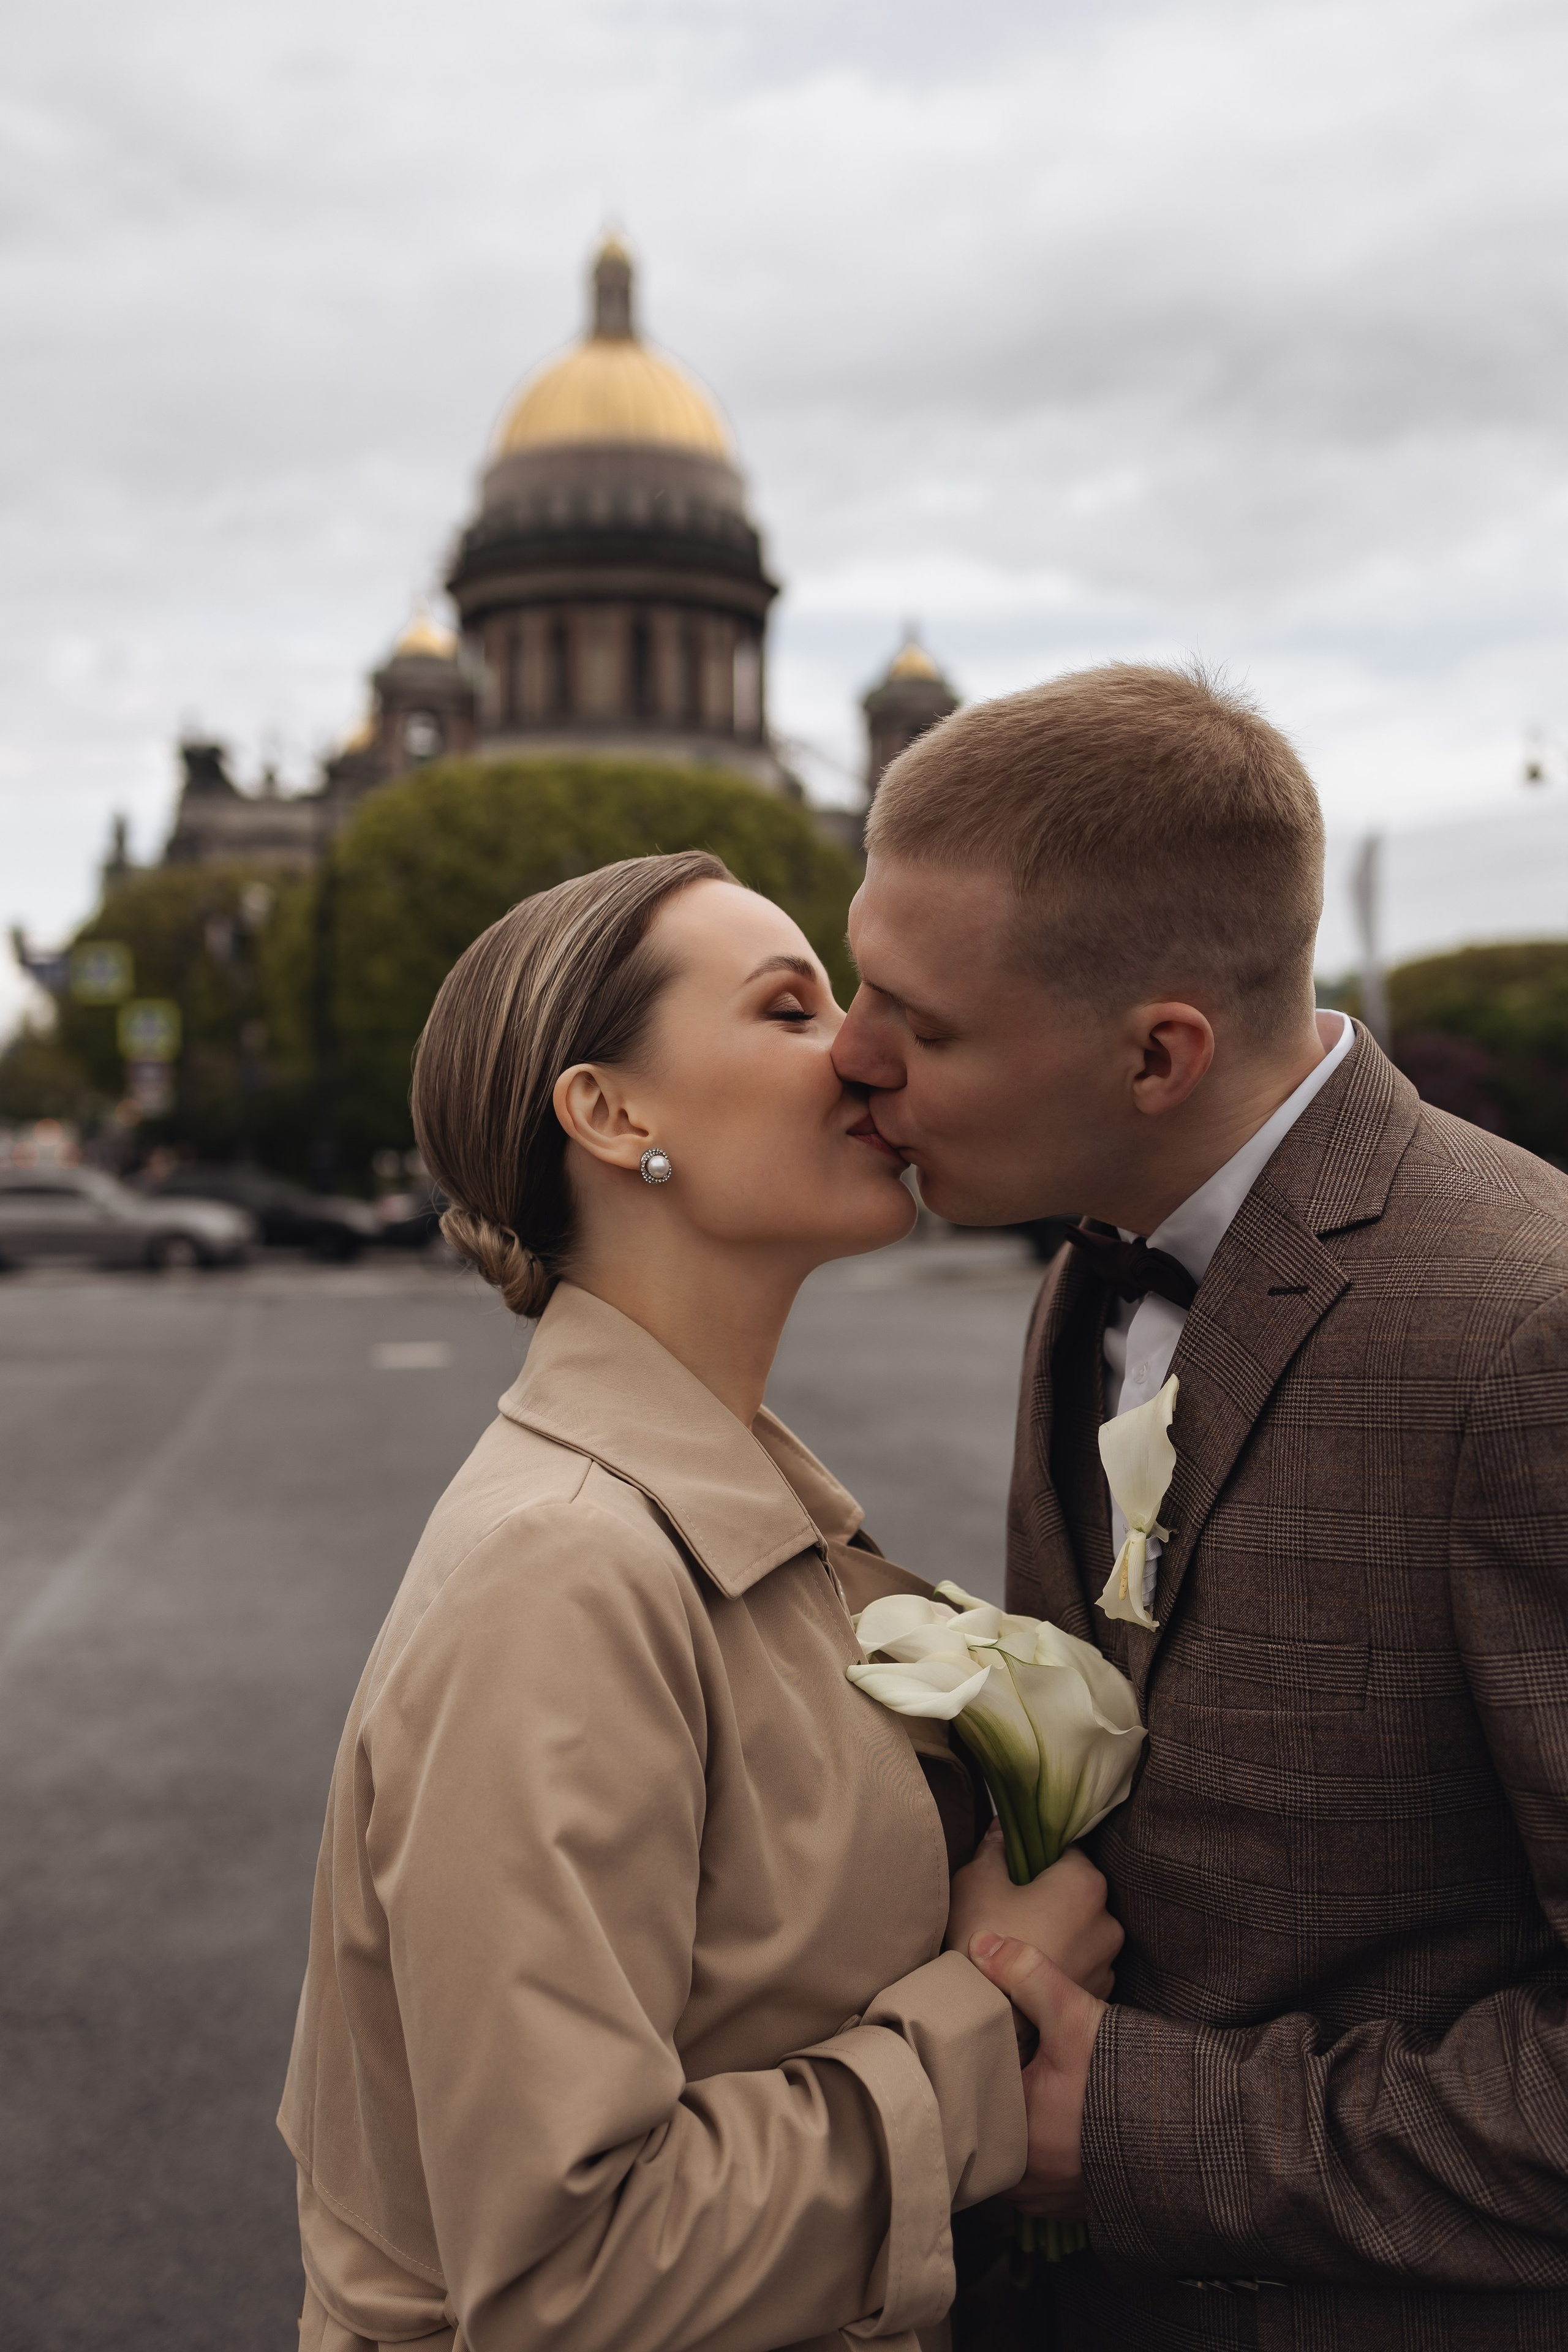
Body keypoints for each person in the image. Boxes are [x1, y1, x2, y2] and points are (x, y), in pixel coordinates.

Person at [279, 848, 1121, 2352]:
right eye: (790, 1009)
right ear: (613, 1115)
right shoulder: (564, 1573)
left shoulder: (706, 1514)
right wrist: (992, 2010)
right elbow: (571, 2278)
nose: (864, 1050)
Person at [832, 662, 1568, 2348]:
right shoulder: (1089, 1258)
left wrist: (1144, 2135)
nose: (849, 1060)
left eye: (924, 1027)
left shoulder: (1526, 1332)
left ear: (1159, 1054)